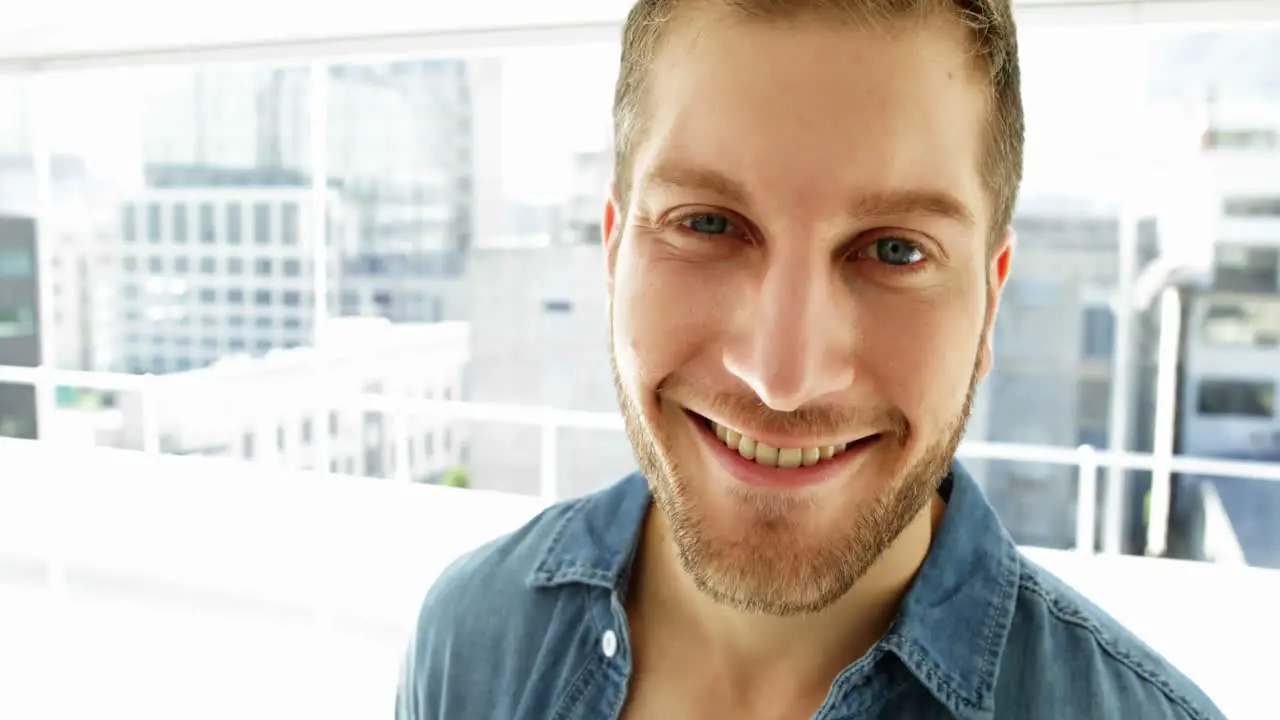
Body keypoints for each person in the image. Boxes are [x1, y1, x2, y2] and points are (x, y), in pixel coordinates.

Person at [397, 0, 1228, 717]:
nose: (782, 377)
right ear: (614, 257)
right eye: (708, 224)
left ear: (990, 300)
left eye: (896, 250)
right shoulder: (471, 637)